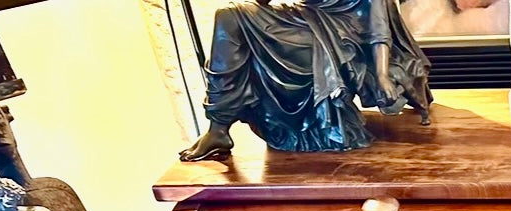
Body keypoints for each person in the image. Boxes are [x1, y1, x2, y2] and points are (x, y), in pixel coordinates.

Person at [180, 0, 433, 161]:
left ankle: (222, 126)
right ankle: (218, 128)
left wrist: (380, 74)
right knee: (229, 15)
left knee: (238, 20)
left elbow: (379, 30)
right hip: (305, 16)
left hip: (343, 32)